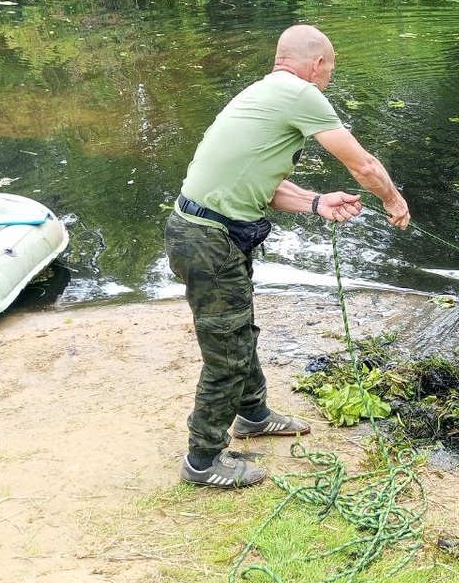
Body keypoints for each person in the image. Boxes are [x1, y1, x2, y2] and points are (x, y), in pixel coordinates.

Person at [165, 24, 410, 488]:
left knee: (240, 328)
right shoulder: (302, 94)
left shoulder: (263, 93)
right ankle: (202, 461)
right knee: (227, 352)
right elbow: (364, 165)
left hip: (207, 231)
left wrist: (317, 202)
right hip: (206, 238)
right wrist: (393, 200)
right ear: (317, 64)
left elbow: (260, 183)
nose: (330, 78)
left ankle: (253, 415)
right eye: (331, 68)